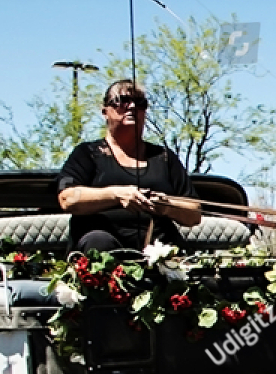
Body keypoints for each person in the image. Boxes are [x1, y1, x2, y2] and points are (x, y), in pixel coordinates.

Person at [57, 79, 201, 251]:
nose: (132, 106)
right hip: (102, 253)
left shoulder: (164, 157)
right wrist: (117, 194)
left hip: (158, 251)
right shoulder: (87, 153)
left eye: (140, 103)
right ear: (105, 112)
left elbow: (194, 213)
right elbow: (68, 199)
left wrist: (167, 205)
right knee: (98, 241)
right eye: (122, 101)